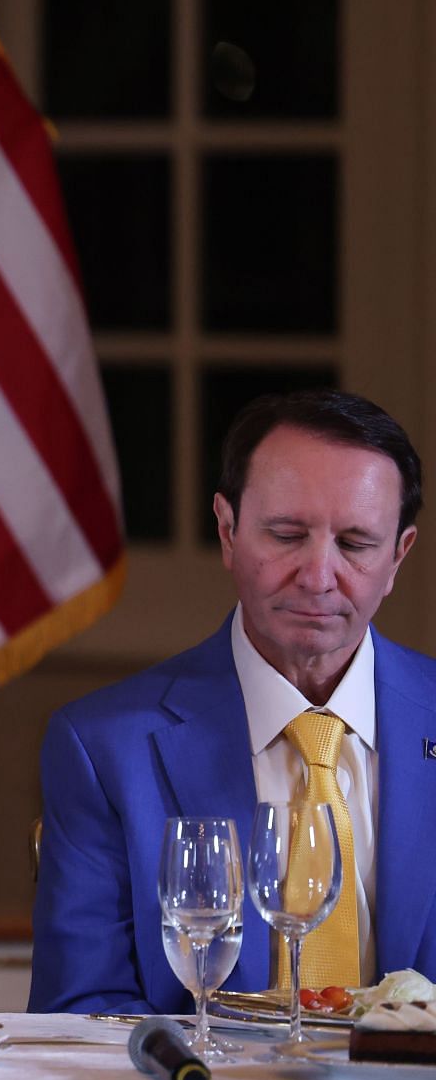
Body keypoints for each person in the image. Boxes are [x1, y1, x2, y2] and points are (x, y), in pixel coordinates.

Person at [31, 389, 436, 1013]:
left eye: (355, 545)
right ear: (227, 531)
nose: (318, 575)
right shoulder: (104, 748)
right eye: (286, 535)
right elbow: (83, 1016)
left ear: (398, 557)